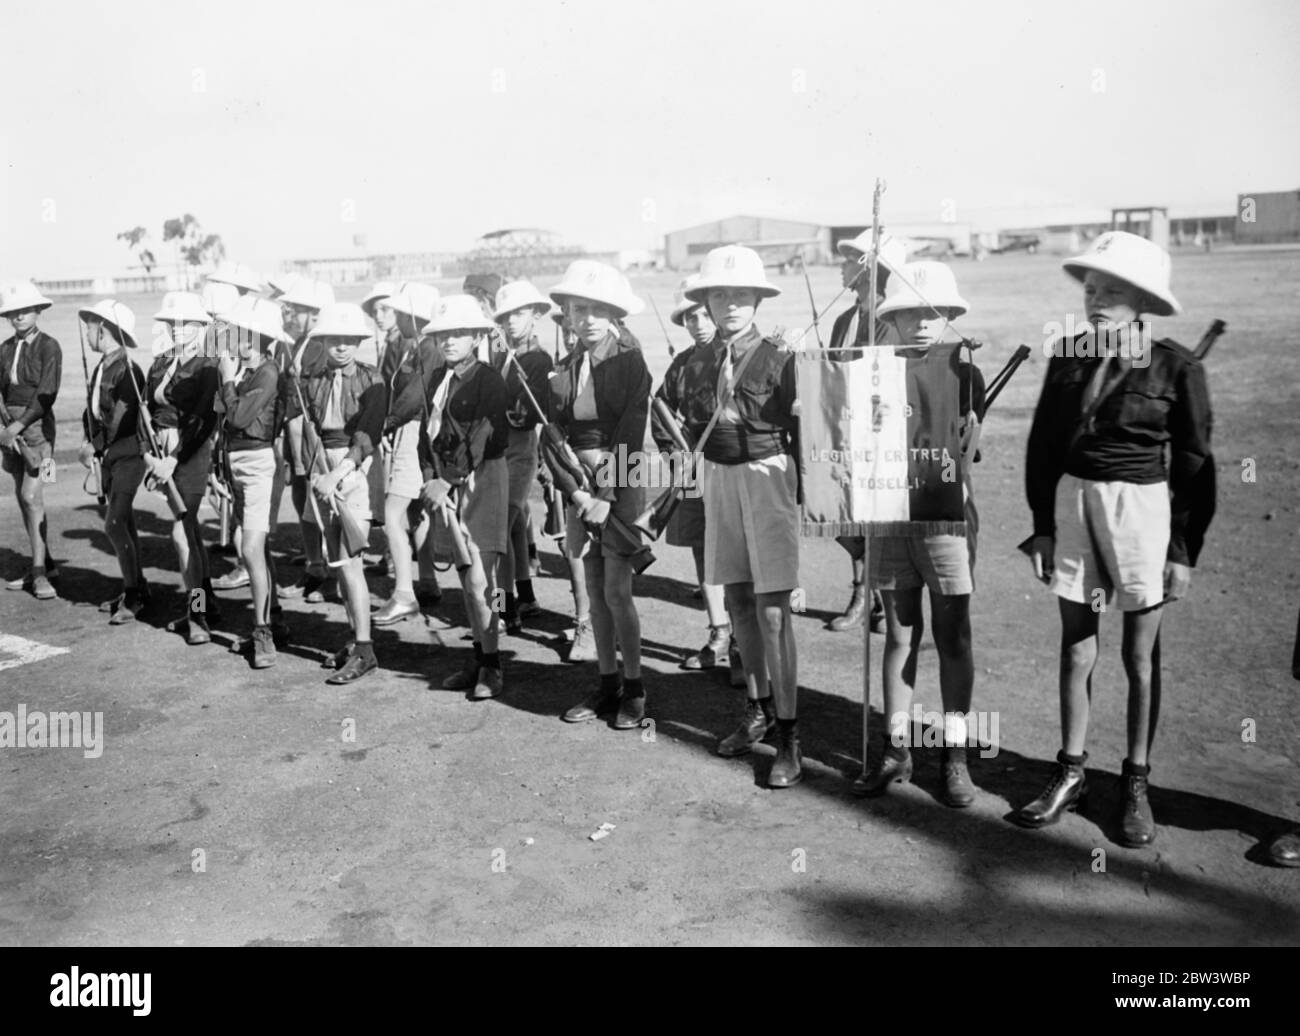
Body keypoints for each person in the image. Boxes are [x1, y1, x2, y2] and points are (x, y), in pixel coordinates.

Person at [1015, 231, 1215, 847]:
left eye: (1114, 290)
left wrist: (1182, 551)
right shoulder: (1068, 355)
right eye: (1092, 288)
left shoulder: (1177, 365)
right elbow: (1043, 448)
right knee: (1077, 646)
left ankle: (1134, 783)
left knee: (1137, 656)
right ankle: (1071, 772)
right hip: (1074, 505)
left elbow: (1195, 463)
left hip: (1143, 513)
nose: (1097, 299)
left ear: (1144, 301)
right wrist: (1043, 527)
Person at [850, 261, 986, 807]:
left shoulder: (967, 373)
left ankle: (954, 754)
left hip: (945, 519)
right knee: (900, 635)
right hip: (888, 514)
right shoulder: (869, 372)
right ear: (893, 320)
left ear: (950, 315)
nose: (924, 323)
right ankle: (896, 747)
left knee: (952, 636)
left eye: (935, 313)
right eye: (910, 314)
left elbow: (967, 452)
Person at [686, 246, 802, 785]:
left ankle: (789, 736)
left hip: (767, 476)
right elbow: (680, 419)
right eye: (719, 295)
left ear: (757, 299)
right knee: (735, 598)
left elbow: (809, 431)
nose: (730, 304)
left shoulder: (782, 356)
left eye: (740, 295)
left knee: (773, 607)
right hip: (719, 477)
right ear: (706, 302)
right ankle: (756, 709)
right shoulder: (700, 359)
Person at [551, 260, 652, 729]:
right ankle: (606, 683)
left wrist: (608, 494)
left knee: (616, 590)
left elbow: (632, 430)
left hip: (620, 481)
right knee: (592, 590)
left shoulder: (631, 363)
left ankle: (635, 688)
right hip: (579, 485)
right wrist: (575, 493)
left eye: (597, 309)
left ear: (615, 314)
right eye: (578, 309)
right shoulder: (564, 368)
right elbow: (550, 436)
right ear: (568, 316)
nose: (587, 318)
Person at [651, 275, 743, 686]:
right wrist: (678, 459)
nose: (698, 323)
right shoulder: (681, 364)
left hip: (733, 468)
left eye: (704, 314)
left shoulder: (741, 355)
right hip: (691, 471)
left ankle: (743, 643)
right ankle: (718, 631)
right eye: (690, 317)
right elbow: (661, 415)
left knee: (739, 555)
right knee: (703, 552)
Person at [418, 295, 511, 699]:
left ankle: (492, 666)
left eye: (458, 333)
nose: (450, 341)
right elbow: (428, 435)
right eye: (443, 335)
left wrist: (449, 478)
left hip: (483, 478)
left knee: (480, 579)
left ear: (476, 336)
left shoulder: (489, 380)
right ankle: (478, 655)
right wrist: (430, 478)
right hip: (446, 483)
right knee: (463, 575)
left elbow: (482, 436)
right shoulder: (438, 379)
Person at [298, 303, 387, 684]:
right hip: (324, 468)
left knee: (351, 562)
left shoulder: (373, 380)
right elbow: (309, 427)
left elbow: (368, 433)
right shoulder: (312, 380)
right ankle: (354, 640)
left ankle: (366, 649)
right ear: (324, 341)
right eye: (335, 340)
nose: (343, 347)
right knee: (337, 564)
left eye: (350, 340)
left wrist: (338, 473)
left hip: (356, 467)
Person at [824, 232, 908, 635]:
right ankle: (866, 590)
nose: (842, 265)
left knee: (877, 517)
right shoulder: (842, 320)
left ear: (870, 269)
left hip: (879, 433)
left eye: (850, 260)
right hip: (842, 434)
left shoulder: (892, 319)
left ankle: (875, 598)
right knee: (843, 516)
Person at [214, 295, 290, 668]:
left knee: (249, 546)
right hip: (237, 461)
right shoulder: (246, 371)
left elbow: (240, 417)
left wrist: (228, 383)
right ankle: (272, 618)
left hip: (259, 463)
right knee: (255, 547)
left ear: (255, 338)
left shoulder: (267, 373)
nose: (232, 340)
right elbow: (223, 418)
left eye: (239, 334)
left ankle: (263, 635)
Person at [143, 291, 222, 644]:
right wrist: (149, 456)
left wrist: (174, 458)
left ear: (201, 326)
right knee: (189, 534)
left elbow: (205, 420)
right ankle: (205, 600)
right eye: (173, 323)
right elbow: (142, 416)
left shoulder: (207, 366)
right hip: (159, 453)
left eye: (186, 323)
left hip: (190, 453)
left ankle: (197, 613)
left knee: (181, 533)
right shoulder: (159, 363)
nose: (178, 329)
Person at [373, 281, 443, 625]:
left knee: (392, 514)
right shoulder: (414, 347)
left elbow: (414, 397)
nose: (396, 316)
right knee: (416, 511)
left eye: (401, 311)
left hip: (412, 430)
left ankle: (404, 593)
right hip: (411, 430)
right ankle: (426, 579)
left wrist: (385, 424)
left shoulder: (426, 349)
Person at [78, 300, 149, 624]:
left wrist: (93, 445)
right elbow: (93, 411)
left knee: (115, 524)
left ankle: (137, 595)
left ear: (103, 329)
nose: (88, 333)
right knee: (127, 524)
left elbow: (120, 418)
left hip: (128, 456)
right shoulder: (104, 365)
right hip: (110, 456)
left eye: (90, 327)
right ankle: (137, 587)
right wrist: (87, 442)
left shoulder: (128, 370)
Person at [491, 280, 554, 634]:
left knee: (499, 529)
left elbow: (533, 410)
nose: (512, 321)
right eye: (506, 315)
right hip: (502, 450)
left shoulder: (537, 357)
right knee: (514, 527)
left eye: (519, 313)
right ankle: (526, 597)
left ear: (534, 315)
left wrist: (518, 413)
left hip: (519, 450)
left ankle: (504, 608)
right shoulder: (504, 354)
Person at [274, 277, 336, 603]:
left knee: (315, 498)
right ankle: (315, 561)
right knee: (302, 496)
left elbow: (312, 394)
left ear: (313, 312)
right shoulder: (300, 342)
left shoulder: (320, 345)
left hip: (310, 429)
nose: (289, 315)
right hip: (295, 429)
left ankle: (319, 568)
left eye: (295, 310)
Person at [0, 280, 61, 600]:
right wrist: (5, 428)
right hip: (8, 431)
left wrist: (18, 426)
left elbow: (46, 396)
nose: (19, 317)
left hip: (38, 430)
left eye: (24, 310)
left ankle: (39, 573)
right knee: (23, 495)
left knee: (31, 496)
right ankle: (44, 561)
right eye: (13, 312)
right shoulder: (5, 349)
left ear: (38, 310)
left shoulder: (49, 346)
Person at [546, 309, 595, 662]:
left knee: (614, 556)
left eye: (571, 328)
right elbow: (552, 429)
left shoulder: (620, 360)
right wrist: (573, 486)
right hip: (573, 470)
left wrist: (609, 485)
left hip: (616, 468)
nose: (568, 335)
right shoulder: (562, 368)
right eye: (564, 329)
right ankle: (584, 623)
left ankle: (607, 626)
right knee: (575, 551)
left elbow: (630, 427)